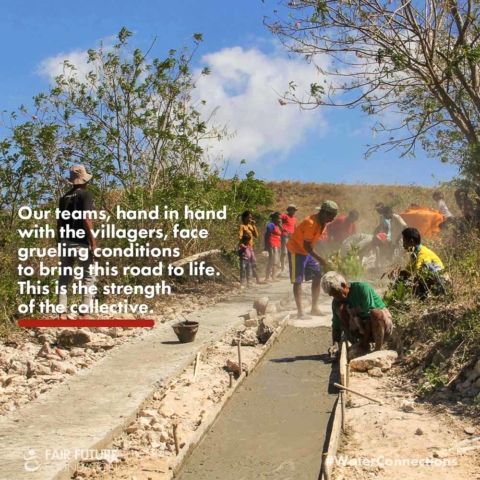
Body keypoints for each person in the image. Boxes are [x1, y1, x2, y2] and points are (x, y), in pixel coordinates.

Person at [57, 165, 97, 320]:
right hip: (80, 243)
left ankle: (62, 313)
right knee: (88, 276)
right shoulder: (85, 195)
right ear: (85, 180)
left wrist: (60, 242)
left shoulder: (64, 198)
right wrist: (93, 243)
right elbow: (87, 219)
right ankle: (84, 313)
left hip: (65, 241)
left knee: (64, 278)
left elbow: (59, 222)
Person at [287, 200, 338, 319]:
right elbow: (306, 246)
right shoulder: (311, 223)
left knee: (317, 275)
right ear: (324, 213)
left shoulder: (322, 223)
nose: (332, 219)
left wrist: (326, 254)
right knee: (298, 280)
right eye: (332, 216)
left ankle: (314, 308)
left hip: (306, 252)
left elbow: (315, 242)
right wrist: (320, 258)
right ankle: (300, 312)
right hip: (296, 250)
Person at [321, 271, 393, 355]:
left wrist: (364, 343)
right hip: (362, 332)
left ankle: (377, 350)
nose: (336, 297)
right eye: (332, 295)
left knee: (375, 313)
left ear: (344, 285)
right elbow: (336, 325)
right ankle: (357, 345)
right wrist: (335, 345)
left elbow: (370, 317)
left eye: (337, 294)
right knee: (340, 310)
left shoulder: (361, 288)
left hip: (381, 329)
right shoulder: (336, 302)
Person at [393, 227, 449, 298]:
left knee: (422, 272)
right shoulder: (415, 255)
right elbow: (407, 272)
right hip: (436, 284)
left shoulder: (423, 253)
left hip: (443, 284)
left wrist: (410, 294)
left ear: (411, 241)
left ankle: (437, 296)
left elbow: (418, 276)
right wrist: (398, 272)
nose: (403, 245)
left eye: (404, 242)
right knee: (403, 275)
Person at [238, 211, 264, 285]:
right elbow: (240, 237)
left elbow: (256, 235)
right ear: (244, 218)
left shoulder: (250, 226)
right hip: (245, 248)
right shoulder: (242, 226)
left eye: (251, 217)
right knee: (244, 265)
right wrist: (243, 245)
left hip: (250, 248)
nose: (250, 219)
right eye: (248, 217)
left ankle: (256, 279)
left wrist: (254, 226)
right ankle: (243, 281)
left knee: (253, 263)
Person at [264, 212, 282, 282]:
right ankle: (269, 277)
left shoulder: (277, 225)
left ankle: (272, 277)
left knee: (275, 261)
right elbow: (266, 235)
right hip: (272, 244)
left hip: (277, 245)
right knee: (273, 261)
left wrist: (280, 225)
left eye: (280, 219)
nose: (280, 220)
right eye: (278, 218)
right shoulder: (271, 225)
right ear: (274, 218)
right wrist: (266, 246)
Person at [280, 204, 297, 272]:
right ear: (289, 210)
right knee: (284, 252)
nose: (292, 211)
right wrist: (281, 228)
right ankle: (282, 268)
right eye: (291, 209)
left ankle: (290, 267)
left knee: (291, 252)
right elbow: (277, 219)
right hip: (285, 235)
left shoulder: (295, 219)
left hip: (291, 236)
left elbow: (294, 228)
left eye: (294, 210)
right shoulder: (284, 215)